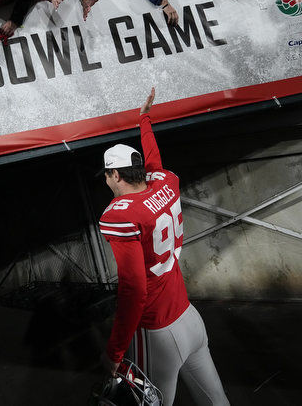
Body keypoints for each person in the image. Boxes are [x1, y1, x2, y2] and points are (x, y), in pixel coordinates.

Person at [98, 87, 229, 406]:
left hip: (158, 332)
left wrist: (115, 350)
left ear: (115, 174)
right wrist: (144, 119)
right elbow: (154, 160)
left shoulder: (121, 215)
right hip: (189, 317)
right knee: (216, 402)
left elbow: (133, 290)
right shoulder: (166, 184)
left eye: (107, 176)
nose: (106, 182)